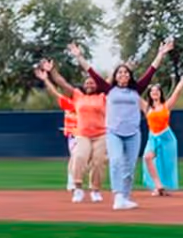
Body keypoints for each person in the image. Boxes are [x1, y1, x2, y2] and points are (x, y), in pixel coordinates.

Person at [70, 39, 175, 211]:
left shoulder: (137, 89)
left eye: (126, 73)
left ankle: (125, 197)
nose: (123, 75)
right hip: (114, 132)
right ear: (115, 76)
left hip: (133, 133)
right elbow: (91, 71)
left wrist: (161, 54)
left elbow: (151, 71)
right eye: (120, 73)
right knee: (117, 161)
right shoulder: (108, 89)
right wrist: (79, 56)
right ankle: (118, 196)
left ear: (130, 76)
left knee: (130, 167)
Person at [37, 58, 108, 203]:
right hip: (81, 134)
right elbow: (61, 84)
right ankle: (77, 188)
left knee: (98, 162)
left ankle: (95, 190)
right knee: (78, 157)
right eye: (87, 82)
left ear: (97, 84)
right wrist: (52, 72)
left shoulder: (103, 96)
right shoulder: (77, 96)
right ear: (83, 85)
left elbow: (110, 80)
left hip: (100, 134)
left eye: (92, 82)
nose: (89, 84)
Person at [139, 64, 183, 196]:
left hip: (167, 138)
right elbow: (134, 93)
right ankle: (158, 185)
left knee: (165, 164)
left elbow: (177, 90)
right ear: (149, 94)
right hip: (153, 137)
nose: (155, 92)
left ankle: (162, 188)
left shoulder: (167, 105)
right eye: (152, 91)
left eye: (157, 90)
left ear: (160, 93)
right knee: (147, 158)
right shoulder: (146, 107)